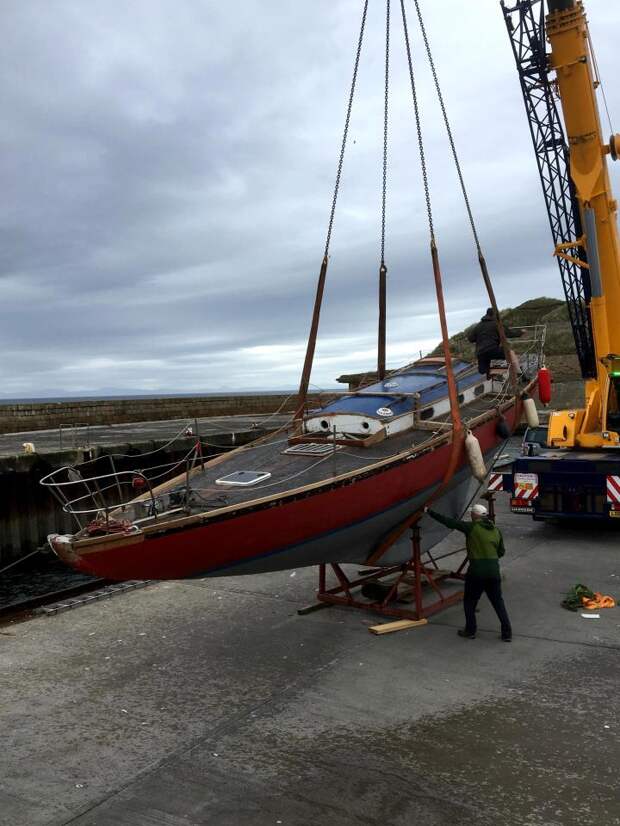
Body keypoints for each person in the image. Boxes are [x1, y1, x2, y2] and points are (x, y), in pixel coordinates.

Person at [424, 502, 512, 641]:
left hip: (476, 572)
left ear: (475, 515)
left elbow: (450, 523)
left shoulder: (471, 528)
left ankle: (470, 630)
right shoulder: (496, 530)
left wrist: (429, 511)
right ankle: (507, 633)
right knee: (497, 601)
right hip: (494, 572)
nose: (470, 515)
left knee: (470, 601)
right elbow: (501, 552)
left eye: (472, 513)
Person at [467, 308, 524, 378]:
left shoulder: (478, 326)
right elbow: (509, 333)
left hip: (480, 352)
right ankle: (519, 374)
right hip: (492, 349)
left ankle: (490, 374)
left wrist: (481, 338)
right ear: (494, 315)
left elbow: (470, 339)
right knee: (510, 353)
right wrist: (521, 332)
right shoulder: (496, 324)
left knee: (483, 370)